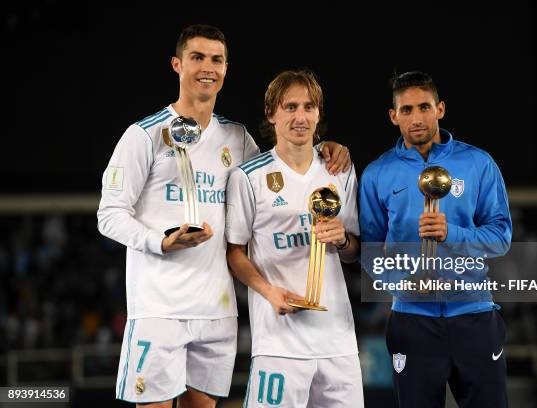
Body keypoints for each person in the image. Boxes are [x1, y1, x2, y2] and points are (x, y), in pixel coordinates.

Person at [97, 25, 350, 408]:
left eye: (216, 59)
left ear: (226, 68)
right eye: (197, 57)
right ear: (177, 64)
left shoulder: (237, 137)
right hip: (160, 307)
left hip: (218, 310)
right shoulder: (144, 135)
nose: (207, 67)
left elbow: (277, 172)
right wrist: (159, 242)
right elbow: (109, 214)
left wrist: (323, 148)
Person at [359, 71, 512, 407]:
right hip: (412, 321)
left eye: (424, 107)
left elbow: (501, 236)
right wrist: (403, 282)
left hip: (474, 314)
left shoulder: (478, 164)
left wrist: (451, 233)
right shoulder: (377, 174)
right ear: (393, 116)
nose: (417, 118)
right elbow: (369, 252)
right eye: (407, 110)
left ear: (440, 108)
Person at [225, 70, 363, 407]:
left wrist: (343, 240)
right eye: (290, 107)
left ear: (318, 114)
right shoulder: (249, 176)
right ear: (271, 114)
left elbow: (354, 251)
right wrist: (269, 292)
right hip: (279, 343)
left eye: (308, 107)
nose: (300, 117)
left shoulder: (339, 169)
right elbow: (234, 254)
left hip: (337, 340)